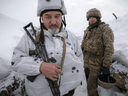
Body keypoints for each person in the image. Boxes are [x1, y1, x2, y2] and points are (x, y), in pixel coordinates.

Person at [11, 0, 85, 96]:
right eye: (48, 16)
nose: (53, 21)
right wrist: (40, 66)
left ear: (62, 17)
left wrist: (75, 80)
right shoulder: (30, 37)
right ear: (42, 18)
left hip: (68, 92)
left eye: (57, 16)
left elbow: (80, 58)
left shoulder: (71, 36)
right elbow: (16, 61)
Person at [81, 8, 114, 96]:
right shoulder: (88, 29)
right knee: (89, 84)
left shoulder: (105, 29)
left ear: (98, 18)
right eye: (90, 17)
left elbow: (109, 48)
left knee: (91, 87)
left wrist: (106, 65)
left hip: (96, 64)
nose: (91, 19)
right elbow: (83, 45)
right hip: (86, 62)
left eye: (94, 17)